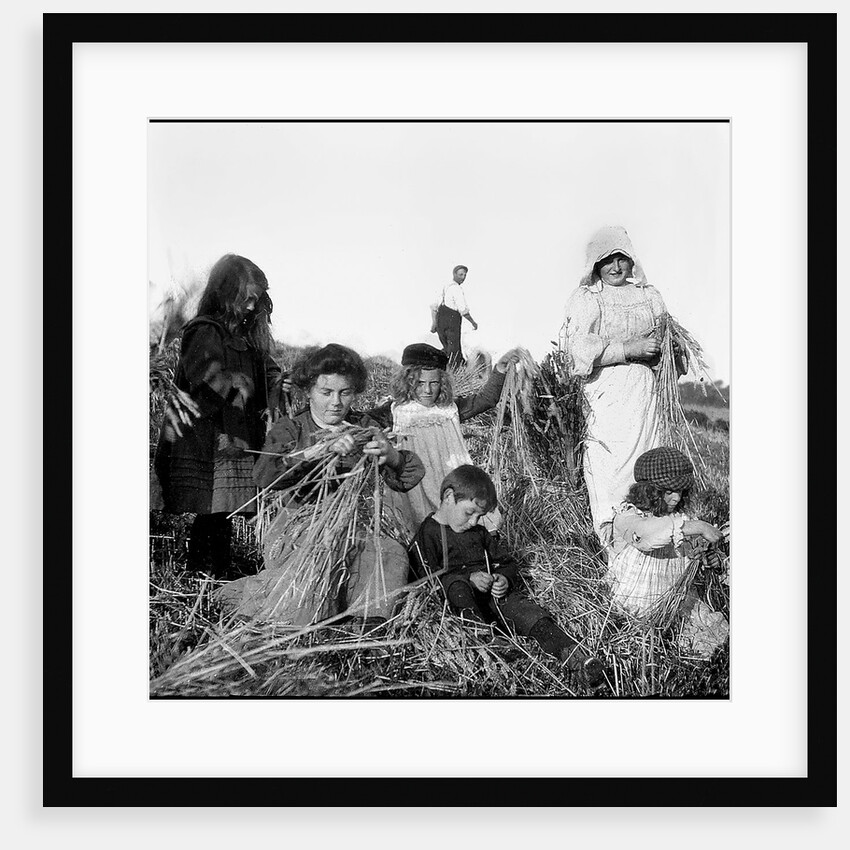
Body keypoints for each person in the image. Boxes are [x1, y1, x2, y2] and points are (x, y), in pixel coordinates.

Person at [218, 343, 425, 626]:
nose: (336, 402)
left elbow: (408, 477)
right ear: (308, 391)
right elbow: (265, 475)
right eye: (326, 393)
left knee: (389, 552)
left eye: (345, 393)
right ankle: (255, 601)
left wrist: (392, 456)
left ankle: (367, 620)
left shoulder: (363, 427)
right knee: (324, 555)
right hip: (301, 529)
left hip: (358, 526)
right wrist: (312, 455)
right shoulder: (292, 428)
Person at [409, 465, 606, 692]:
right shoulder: (428, 533)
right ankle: (486, 642)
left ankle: (575, 657)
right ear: (448, 497)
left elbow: (506, 562)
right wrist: (468, 577)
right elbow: (425, 579)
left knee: (528, 612)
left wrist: (503, 578)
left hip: (494, 599)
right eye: (469, 512)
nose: (474, 521)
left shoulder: (479, 534)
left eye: (480, 516)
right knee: (457, 587)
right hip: (461, 602)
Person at [154, 253, 285, 578]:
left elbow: (268, 370)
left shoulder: (245, 337)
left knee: (226, 509)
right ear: (226, 293)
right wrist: (232, 382)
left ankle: (221, 568)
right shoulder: (204, 330)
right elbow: (203, 374)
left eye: (257, 300)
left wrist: (273, 391)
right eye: (247, 299)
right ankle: (201, 570)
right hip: (208, 437)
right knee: (212, 508)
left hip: (237, 432)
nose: (253, 308)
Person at [563, 225, 685, 537]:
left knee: (649, 461)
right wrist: (628, 349)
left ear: (632, 262)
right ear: (595, 265)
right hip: (608, 393)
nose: (616, 268)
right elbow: (578, 355)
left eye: (622, 259)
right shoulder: (588, 299)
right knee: (612, 466)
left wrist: (669, 350)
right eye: (607, 261)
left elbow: (668, 342)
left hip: (645, 393)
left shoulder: (649, 297)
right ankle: (615, 540)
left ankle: (653, 536)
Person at [369, 342, 520, 538]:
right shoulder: (394, 411)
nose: (428, 390)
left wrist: (500, 368)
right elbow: (362, 424)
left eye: (434, 383)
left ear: (443, 383)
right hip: (415, 484)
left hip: (450, 479)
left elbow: (486, 399)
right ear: (407, 381)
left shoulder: (449, 409)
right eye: (420, 383)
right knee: (416, 528)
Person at [604, 447, 729, 658]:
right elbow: (646, 537)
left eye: (680, 491)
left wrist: (710, 560)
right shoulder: (628, 516)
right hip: (633, 609)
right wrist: (700, 526)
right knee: (643, 651)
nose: (676, 498)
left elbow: (690, 552)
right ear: (648, 491)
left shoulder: (681, 519)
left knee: (714, 644)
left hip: (675, 605)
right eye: (668, 491)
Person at [430, 264, 478, 367]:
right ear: (454, 274)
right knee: (454, 352)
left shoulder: (445, 287)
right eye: (460, 274)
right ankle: (455, 375)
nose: (463, 277)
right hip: (451, 323)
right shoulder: (456, 289)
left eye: (465, 275)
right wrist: (473, 323)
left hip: (440, 322)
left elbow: (434, 307)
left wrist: (434, 323)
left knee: (447, 349)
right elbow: (463, 310)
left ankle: (447, 369)